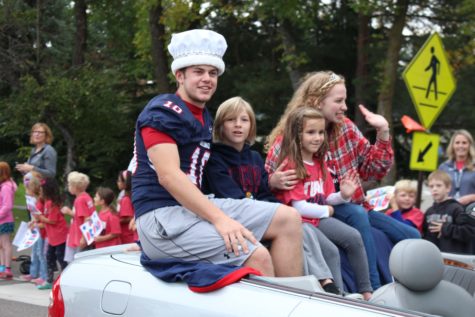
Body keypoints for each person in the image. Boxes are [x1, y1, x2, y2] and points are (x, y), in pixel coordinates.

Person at [132, 29, 303, 277]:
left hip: (191, 209)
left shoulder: (203, 116)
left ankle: (295, 302)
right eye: (198, 72)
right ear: (179, 75)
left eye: (212, 73)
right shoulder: (163, 111)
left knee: (289, 219)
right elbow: (168, 176)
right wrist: (221, 220)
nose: (207, 79)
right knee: (256, 254)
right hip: (162, 216)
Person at [265, 71, 420, 289]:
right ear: (316, 101)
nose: (345, 106)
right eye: (338, 101)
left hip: (348, 203)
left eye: (345, 100)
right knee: (356, 215)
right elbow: (267, 187)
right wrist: (272, 181)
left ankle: (413, 289)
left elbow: (373, 170)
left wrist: (383, 132)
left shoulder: (345, 129)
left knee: (411, 234)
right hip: (316, 209)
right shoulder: (288, 140)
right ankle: (372, 289)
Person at [203, 97, 342, 295]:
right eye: (230, 120)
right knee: (294, 228)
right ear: (220, 125)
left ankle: (328, 285)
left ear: (251, 125)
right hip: (236, 220)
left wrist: (284, 210)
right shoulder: (215, 158)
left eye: (244, 120)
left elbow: (264, 192)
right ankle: (321, 285)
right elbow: (232, 197)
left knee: (302, 227)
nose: (237, 125)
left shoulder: (254, 157)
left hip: (262, 213)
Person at [271, 107, 372, 299]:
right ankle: (338, 297)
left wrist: (343, 196)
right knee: (331, 251)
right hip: (301, 222)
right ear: (296, 135)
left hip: (317, 218)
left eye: (320, 132)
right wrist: (327, 210)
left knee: (354, 237)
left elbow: (325, 198)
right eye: (310, 132)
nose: (317, 138)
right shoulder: (292, 164)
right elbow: (298, 206)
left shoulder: (320, 163)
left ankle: (367, 291)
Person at [423, 170, 475, 254]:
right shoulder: (429, 211)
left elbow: (469, 231)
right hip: (433, 257)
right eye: (431, 186)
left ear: (448, 188)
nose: (434, 189)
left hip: (453, 258)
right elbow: (424, 235)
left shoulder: (457, 208)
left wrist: (445, 228)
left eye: (438, 186)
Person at [35, 177, 68, 290]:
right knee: (49, 256)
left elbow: (52, 220)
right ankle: (49, 280)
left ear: (47, 190)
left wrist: (40, 217)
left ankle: (66, 278)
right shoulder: (48, 202)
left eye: (41, 190)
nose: (40, 192)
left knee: (60, 257)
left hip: (59, 236)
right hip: (53, 236)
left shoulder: (51, 203)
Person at [19, 171, 48, 286]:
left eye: (27, 190)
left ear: (33, 190)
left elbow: (41, 217)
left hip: (40, 229)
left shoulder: (38, 201)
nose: (26, 192)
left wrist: (35, 222)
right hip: (35, 227)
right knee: (35, 252)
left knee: (40, 253)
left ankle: (43, 275)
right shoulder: (31, 199)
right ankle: (33, 272)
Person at [61, 171, 95, 262]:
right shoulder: (87, 196)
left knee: (77, 261)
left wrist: (84, 238)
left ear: (75, 187)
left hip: (81, 236)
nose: (68, 187)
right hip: (86, 235)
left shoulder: (79, 200)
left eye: (69, 185)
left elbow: (87, 218)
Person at [0, 162, 17, 280]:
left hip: (4, 220)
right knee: (1, 245)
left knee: (5, 244)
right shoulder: (4, 185)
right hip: (2, 219)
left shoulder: (6, 187)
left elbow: (7, 205)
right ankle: (2, 268)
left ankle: (7, 268)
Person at [116, 170, 135, 244]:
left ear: (125, 183)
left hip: (127, 235)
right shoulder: (130, 196)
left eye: (119, 181)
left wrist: (114, 221)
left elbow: (129, 218)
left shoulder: (125, 199)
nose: (117, 183)